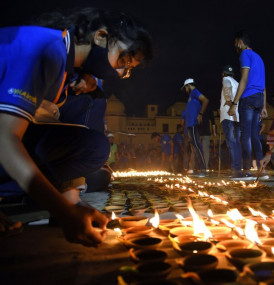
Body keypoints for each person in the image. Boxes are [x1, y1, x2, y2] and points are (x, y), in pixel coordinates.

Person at [0, 7, 152, 246]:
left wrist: (71, 198)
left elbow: (47, 126)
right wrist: (64, 212)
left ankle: (28, 192)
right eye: (124, 60)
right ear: (101, 37)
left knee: (93, 147)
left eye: (129, 69)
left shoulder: (64, 67)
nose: (122, 72)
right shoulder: (46, 51)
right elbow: (5, 139)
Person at [227, 30, 267, 180]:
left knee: (245, 136)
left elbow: (243, 80)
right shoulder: (259, 58)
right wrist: (263, 106)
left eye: (235, 43)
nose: (235, 46)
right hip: (258, 98)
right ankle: (261, 170)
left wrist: (234, 103)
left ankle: (246, 171)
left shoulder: (245, 55)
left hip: (248, 98)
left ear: (240, 42)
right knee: (254, 135)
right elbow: (263, 85)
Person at [181, 78, 209, 176]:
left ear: (188, 86)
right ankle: (202, 169)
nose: (185, 90)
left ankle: (203, 169)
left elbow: (205, 100)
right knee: (195, 146)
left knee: (197, 146)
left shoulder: (194, 92)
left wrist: (200, 114)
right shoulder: (191, 97)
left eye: (185, 88)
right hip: (190, 126)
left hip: (193, 124)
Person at [220, 65, 242, 178]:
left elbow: (227, 90)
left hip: (228, 116)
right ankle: (237, 169)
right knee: (236, 143)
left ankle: (235, 170)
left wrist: (228, 101)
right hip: (236, 116)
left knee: (231, 143)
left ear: (223, 74)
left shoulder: (226, 80)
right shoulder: (237, 83)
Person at [198, 106, 216, 171]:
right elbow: (213, 121)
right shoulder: (208, 109)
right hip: (205, 132)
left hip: (199, 132)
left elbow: (213, 121)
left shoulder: (198, 108)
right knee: (205, 151)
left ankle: (202, 167)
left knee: (198, 150)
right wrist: (214, 132)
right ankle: (205, 167)